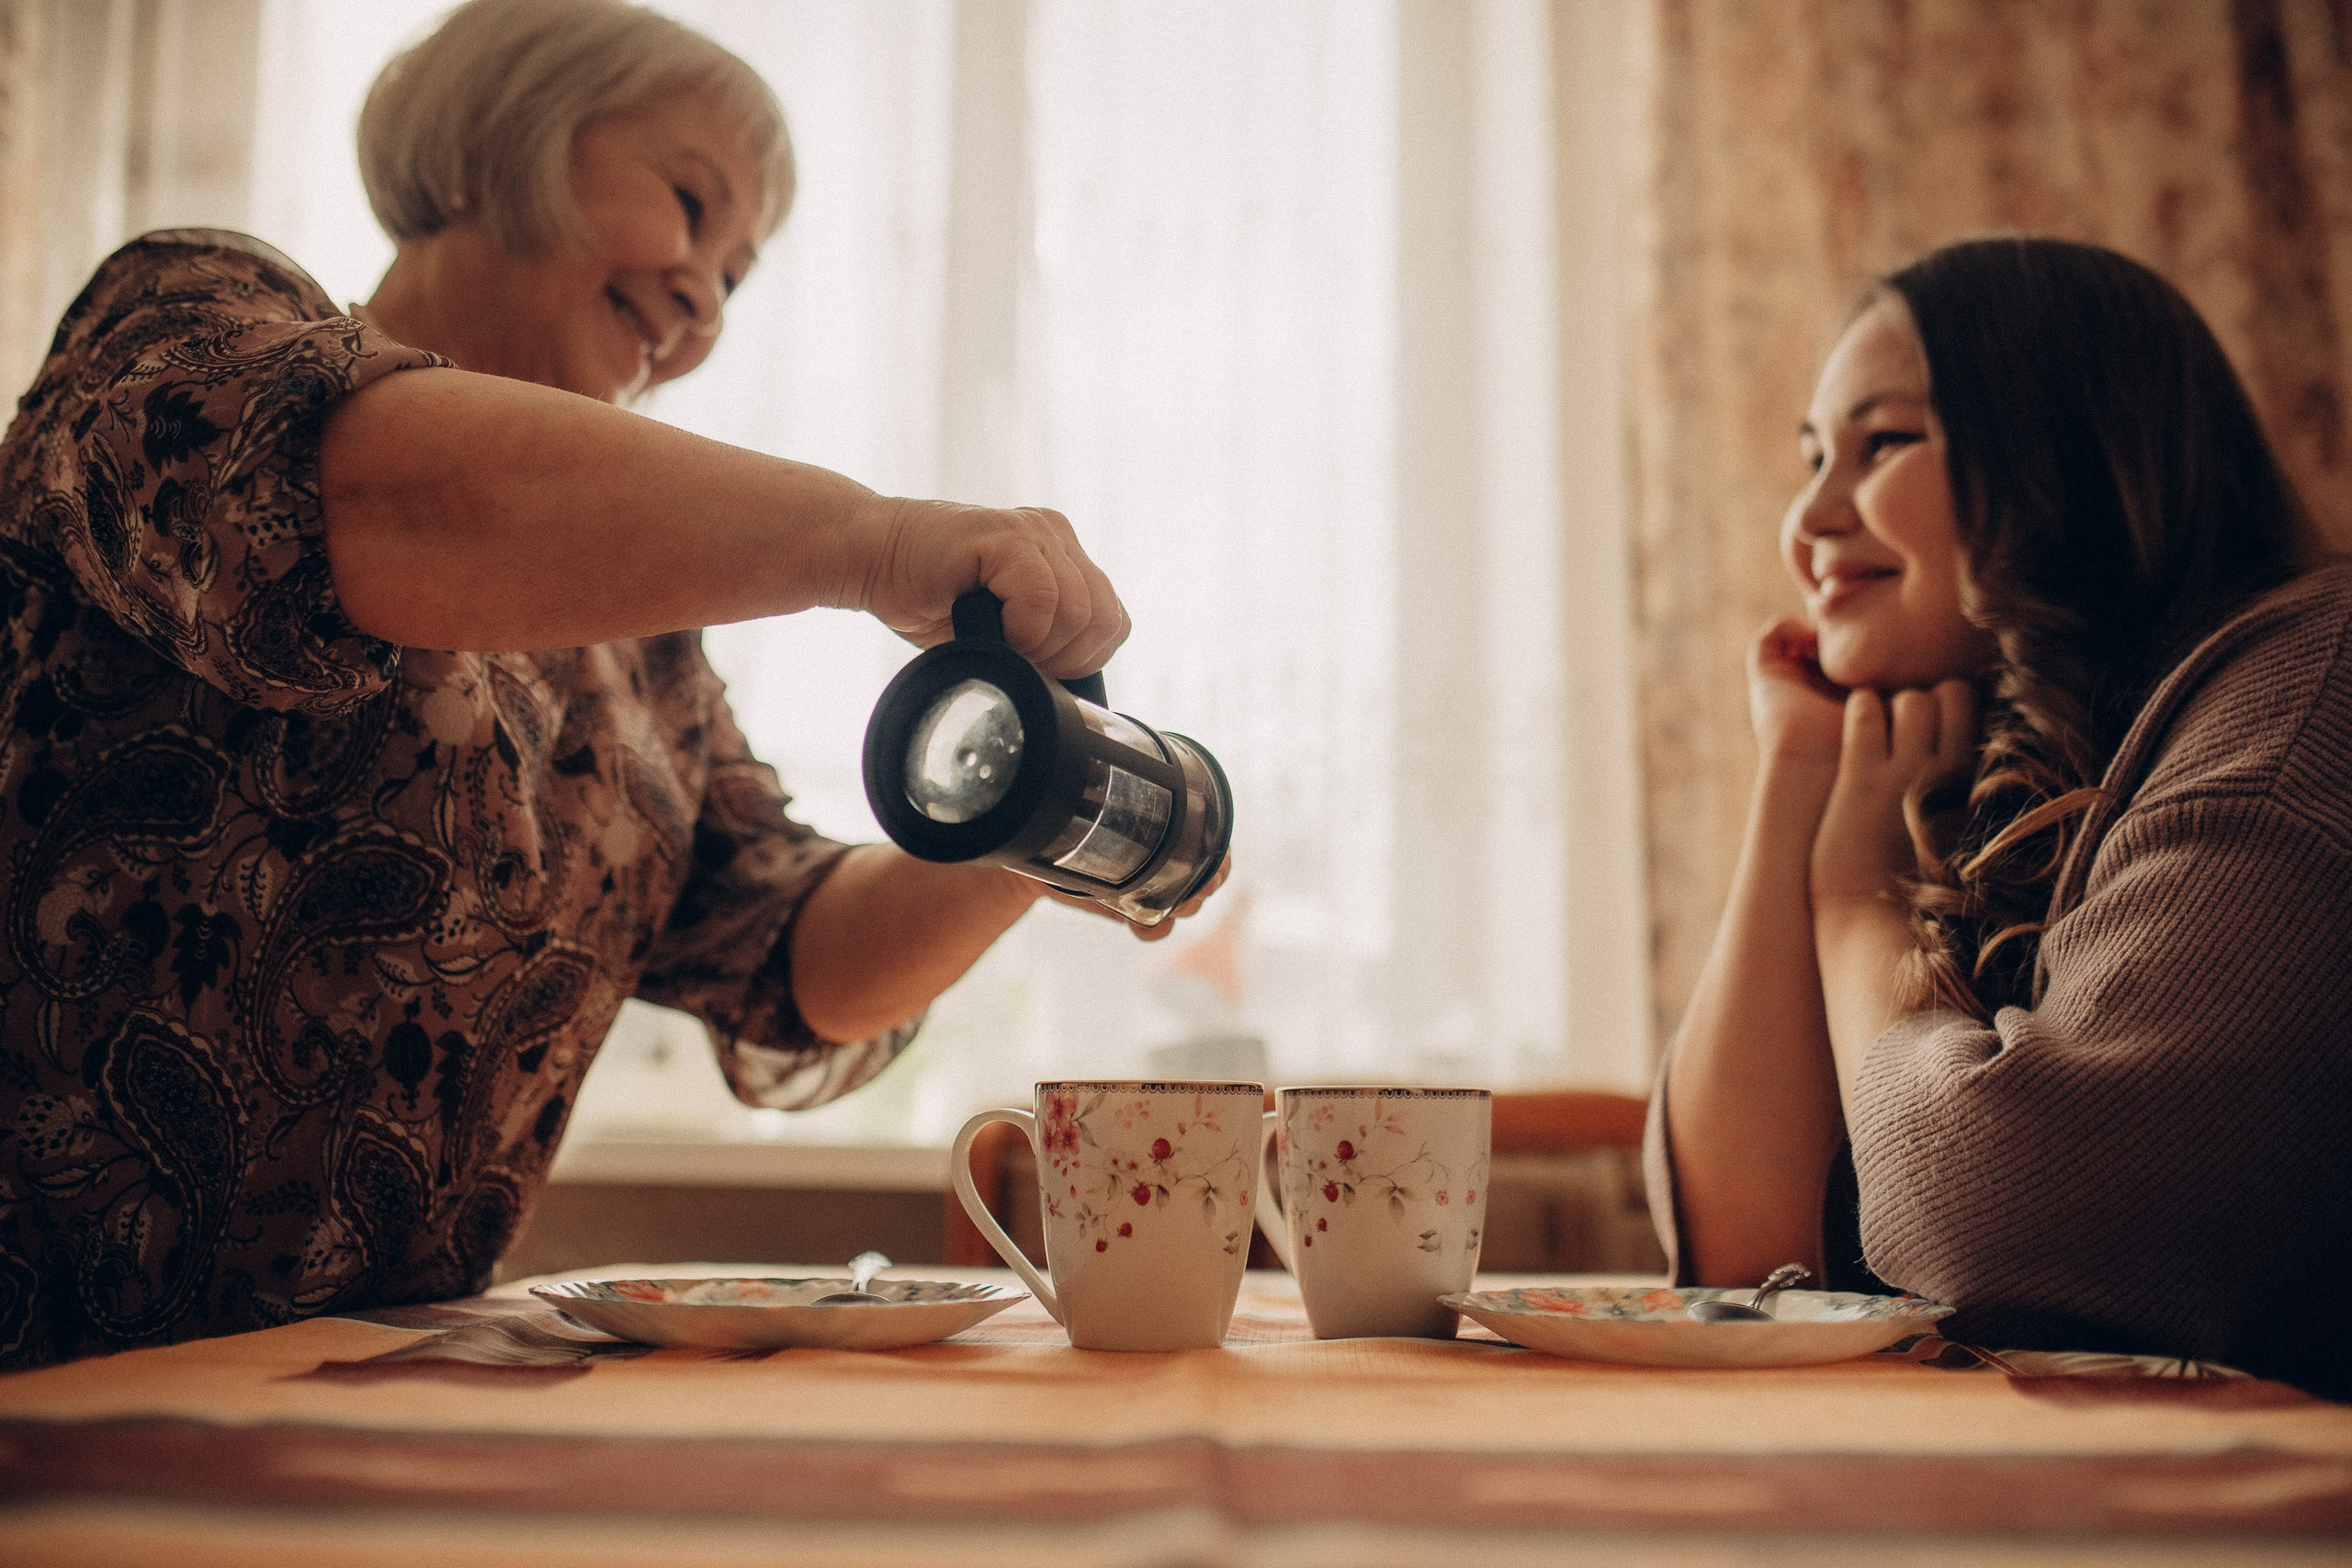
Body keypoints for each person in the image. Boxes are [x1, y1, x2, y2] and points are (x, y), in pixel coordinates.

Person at [0, 0, 1219, 1368]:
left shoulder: (645, 662)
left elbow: (801, 962)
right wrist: (875, 540)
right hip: (47, 1367)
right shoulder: (184, 319)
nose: (703, 290)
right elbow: (369, 488)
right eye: (689, 203)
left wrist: (1044, 814)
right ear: (497, 138)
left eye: (737, 274)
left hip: (364, 1384)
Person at [1645, 234, 2352, 1398]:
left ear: (2062, 454)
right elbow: (1745, 1258)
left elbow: (2005, 1213)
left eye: (1882, 444)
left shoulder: (2301, 701)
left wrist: (1850, 901)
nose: (1808, 518)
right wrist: (1798, 781)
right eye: (1812, 454)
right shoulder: (1976, 759)